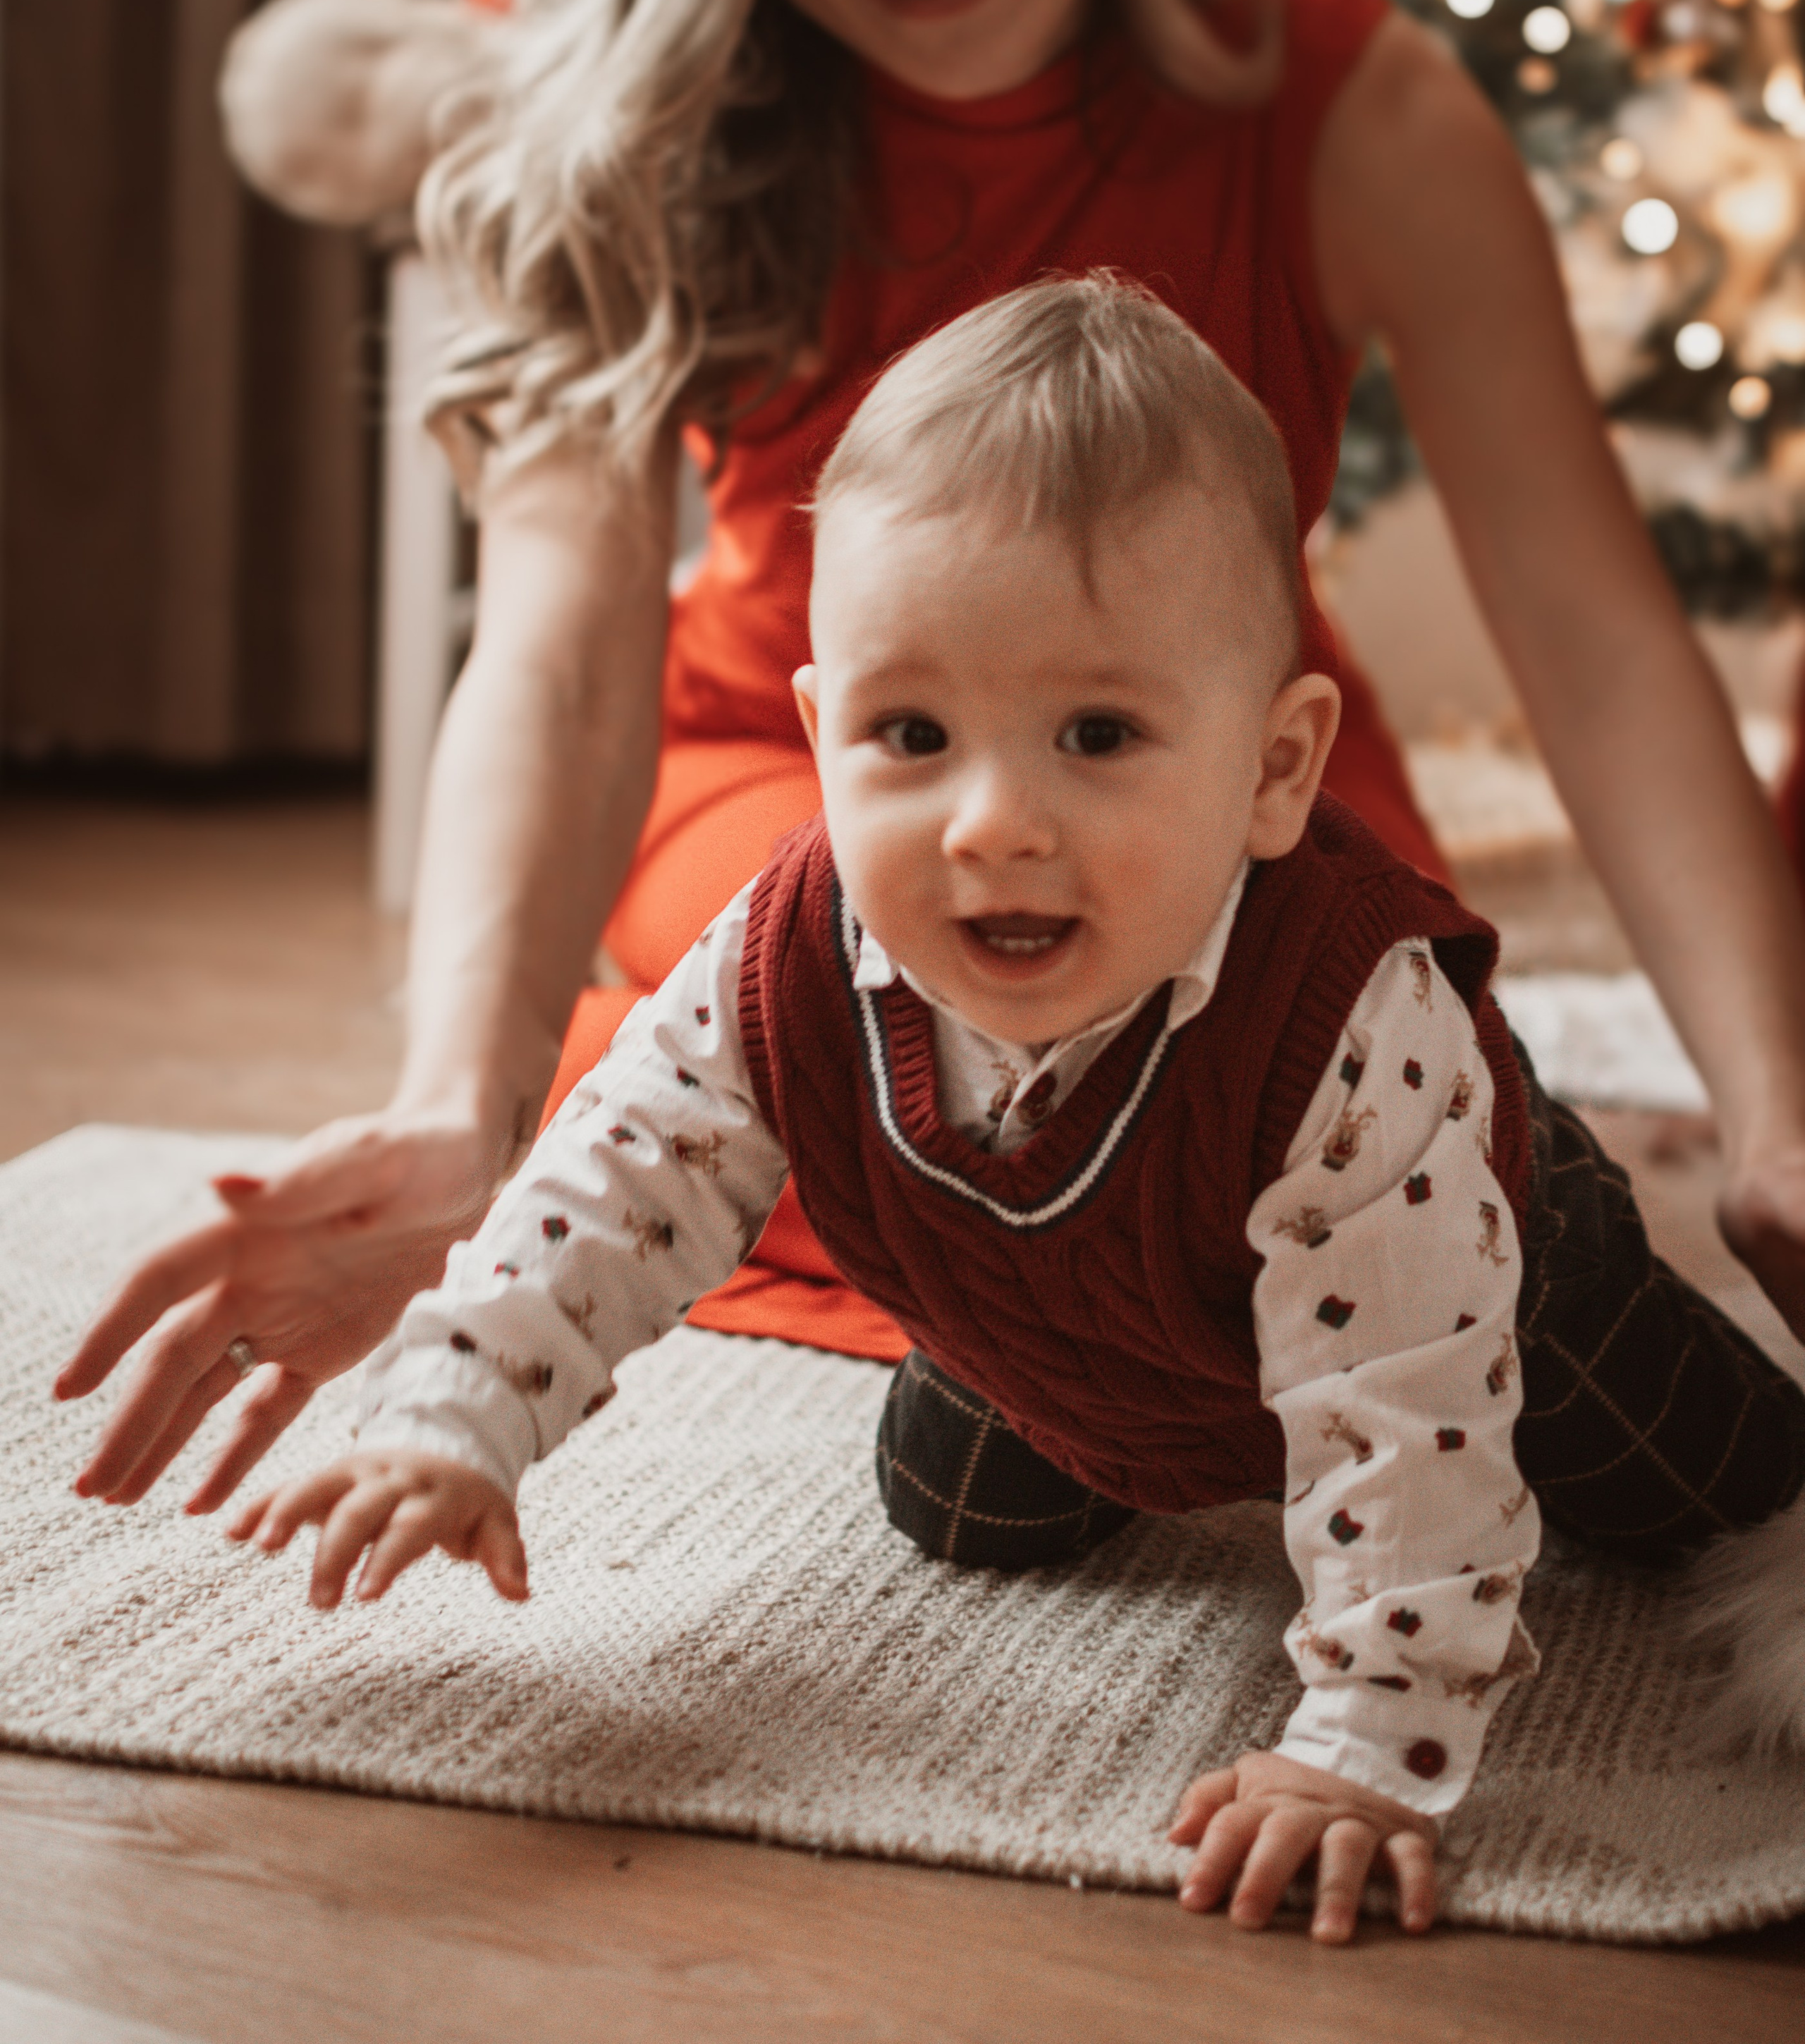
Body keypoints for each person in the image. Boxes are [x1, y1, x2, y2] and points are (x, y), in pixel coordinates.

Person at [56, 0, 1805, 1514]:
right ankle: (1045, 1336)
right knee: (870, 1013)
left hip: (1209, 764)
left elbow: (1598, 638)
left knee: (1361, 1060)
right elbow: (559, 643)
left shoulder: (1348, 107)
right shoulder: (637, 117)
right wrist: (458, 1102)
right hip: (796, 791)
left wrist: (1778, 1105)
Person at [228, 283, 1805, 1944]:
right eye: (910, 734)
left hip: (1485, 1273)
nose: (991, 824)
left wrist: (1364, 1746)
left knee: (1707, 1481)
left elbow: (1402, 1409)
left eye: (1097, 734)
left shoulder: (1353, 1027)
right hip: (1076, 1302)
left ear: (1275, 770)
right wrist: (455, 1410)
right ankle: (1140, 1390)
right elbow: (617, 1181)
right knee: (956, 1515)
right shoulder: (787, 944)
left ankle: (1660, 1408)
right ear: (818, 731)